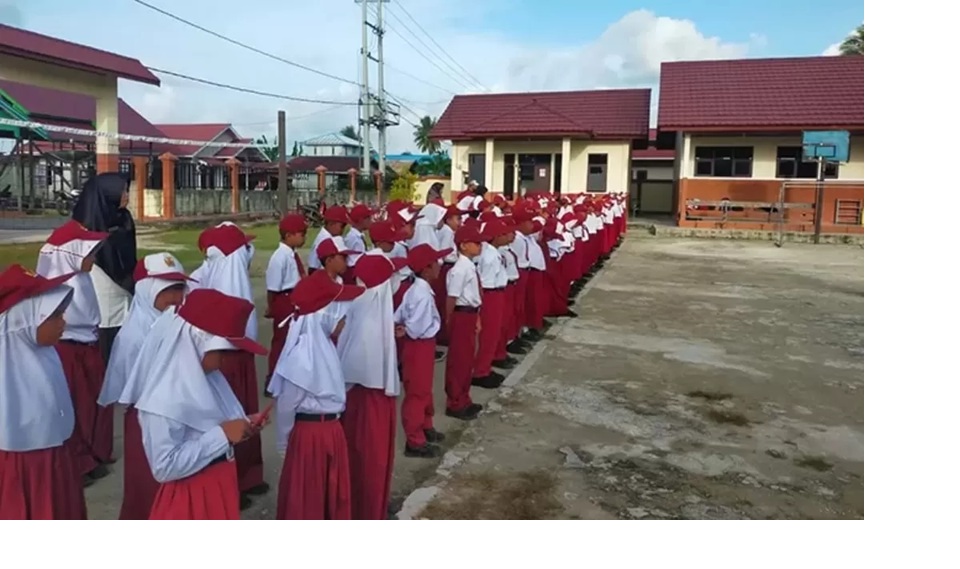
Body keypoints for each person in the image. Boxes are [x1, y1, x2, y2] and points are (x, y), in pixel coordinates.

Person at [121, 289, 268, 520]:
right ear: (198, 342)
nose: (224, 360)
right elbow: (164, 466)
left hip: (219, 482)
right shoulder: (163, 398)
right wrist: (222, 435)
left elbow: (215, 425)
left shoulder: (209, 377)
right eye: (220, 351)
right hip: (191, 495)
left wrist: (244, 424)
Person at [97, 252, 190, 520]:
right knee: (147, 485)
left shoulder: (177, 323)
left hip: (176, 413)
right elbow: (132, 386)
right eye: (167, 290)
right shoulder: (133, 334)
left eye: (179, 289)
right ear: (148, 291)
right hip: (144, 420)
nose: (176, 298)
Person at [268, 271, 364, 520]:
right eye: (340, 315)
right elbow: (287, 405)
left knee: (328, 496)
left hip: (330, 430)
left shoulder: (324, 345)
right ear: (325, 314)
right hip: (310, 437)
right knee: (308, 500)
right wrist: (284, 443)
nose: (344, 322)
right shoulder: (302, 357)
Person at [0, 265, 87, 520]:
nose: (64, 322)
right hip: (20, 464)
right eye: (55, 316)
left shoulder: (46, 353)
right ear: (26, 320)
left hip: (56, 459)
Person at [195, 223, 267, 506]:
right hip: (226, 351)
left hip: (241, 351)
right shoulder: (220, 272)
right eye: (244, 248)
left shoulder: (231, 271)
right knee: (230, 414)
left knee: (245, 409)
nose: (249, 252)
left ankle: (249, 474)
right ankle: (232, 482)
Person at [36, 219, 113, 483]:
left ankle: (94, 451)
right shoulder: (53, 285)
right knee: (71, 406)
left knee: (93, 402)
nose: (93, 258)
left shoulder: (83, 279)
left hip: (87, 343)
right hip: (66, 347)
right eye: (89, 253)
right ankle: (76, 461)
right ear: (72, 255)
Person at [337, 252, 404, 519]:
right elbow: (359, 363)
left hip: (371, 394)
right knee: (369, 458)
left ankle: (374, 502)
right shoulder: (369, 318)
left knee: (374, 458)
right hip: (368, 396)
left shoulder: (368, 307)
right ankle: (367, 509)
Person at [71, 173, 137, 364]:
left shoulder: (123, 218)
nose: (127, 196)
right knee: (108, 342)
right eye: (123, 191)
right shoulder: (88, 223)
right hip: (103, 292)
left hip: (125, 293)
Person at [394, 243, 450, 458]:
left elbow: (399, 315)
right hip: (419, 345)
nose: (439, 266)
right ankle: (415, 439)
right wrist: (405, 328)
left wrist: (401, 325)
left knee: (424, 389)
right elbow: (416, 327)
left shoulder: (417, 289)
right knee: (417, 391)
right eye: (435, 262)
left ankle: (426, 425)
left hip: (422, 345)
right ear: (426, 268)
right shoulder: (421, 294)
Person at [444, 223, 484, 421]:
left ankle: (465, 398)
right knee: (459, 360)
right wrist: (449, 320)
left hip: (470, 314)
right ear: (463, 246)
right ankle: (455, 402)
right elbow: (452, 297)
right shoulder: (460, 269)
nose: (480, 246)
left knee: (468, 359)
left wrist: (476, 317)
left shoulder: (469, 266)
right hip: (461, 315)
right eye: (475, 243)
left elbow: (474, 295)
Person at [265, 213, 308, 389]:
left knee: (294, 339)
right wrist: (271, 307)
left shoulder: (292, 254)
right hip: (284, 298)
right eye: (301, 234)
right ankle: (272, 378)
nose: (304, 237)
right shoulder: (279, 257)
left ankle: (289, 376)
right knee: (281, 340)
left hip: (294, 298)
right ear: (289, 235)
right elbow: (273, 287)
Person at [472, 218, 513, 389]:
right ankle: (480, 372)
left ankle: (486, 367)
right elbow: (486, 282)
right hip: (490, 295)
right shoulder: (488, 256)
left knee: (494, 333)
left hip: (496, 293)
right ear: (495, 237)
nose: (507, 237)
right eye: (503, 234)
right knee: (488, 334)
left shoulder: (494, 251)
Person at [434, 205, 460, 348]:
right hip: (446, 267)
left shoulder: (445, 230)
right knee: (444, 300)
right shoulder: (447, 231)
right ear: (448, 219)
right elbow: (444, 252)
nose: (460, 222)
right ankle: (443, 334)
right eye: (458, 218)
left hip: (446, 266)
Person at [307, 205, 350, 273]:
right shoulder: (324, 239)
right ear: (331, 224)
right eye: (342, 226)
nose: (343, 230)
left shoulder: (327, 236)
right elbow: (313, 268)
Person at [344, 204, 374, 284]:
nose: (371, 220)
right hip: (353, 274)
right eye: (368, 218)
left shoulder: (359, 236)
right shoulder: (352, 238)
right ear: (361, 220)